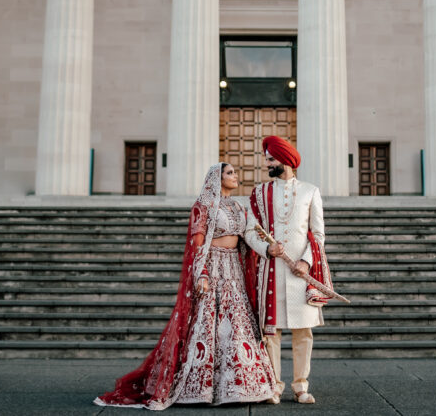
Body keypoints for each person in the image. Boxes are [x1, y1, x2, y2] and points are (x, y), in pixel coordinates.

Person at [94, 163, 278, 410]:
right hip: (212, 268)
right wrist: (200, 273)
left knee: (237, 326)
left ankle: (242, 386)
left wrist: (268, 250)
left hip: (233, 269)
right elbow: (196, 243)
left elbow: (248, 238)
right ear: (217, 178)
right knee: (208, 325)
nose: (236, 177)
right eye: (230, 173)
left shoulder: (238, 206)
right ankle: (202, 387)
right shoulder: (203, 207)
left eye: (234, 173)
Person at [244, 136, 333, 405]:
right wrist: (264, 248)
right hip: (271, 271)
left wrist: (306, 261)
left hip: (300, 275)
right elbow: (250, 230)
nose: (267, 163)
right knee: (271, 332)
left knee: (303, 331)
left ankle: (300, 386)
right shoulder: (259, 193)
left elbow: (317, 233)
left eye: (271, 159)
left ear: (285, 160)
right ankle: (274, 387)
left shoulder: (310, 191)